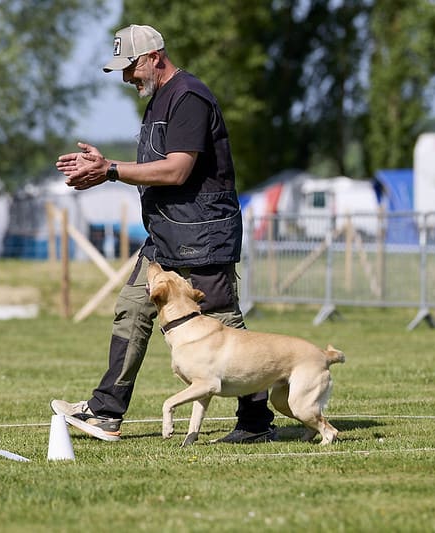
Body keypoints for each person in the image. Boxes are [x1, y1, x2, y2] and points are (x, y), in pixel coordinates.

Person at [50, 24, 276, 443]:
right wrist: (104, 167)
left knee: (224, 321)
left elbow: (177, 169)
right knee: (133, 309)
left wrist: (111, 170)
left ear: (154, 57)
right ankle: (105, 412)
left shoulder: (188, 97)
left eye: (131, 67)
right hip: (166, 236)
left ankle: (256, 423)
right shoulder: (158, 99)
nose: (126, 77)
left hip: (204, 235)